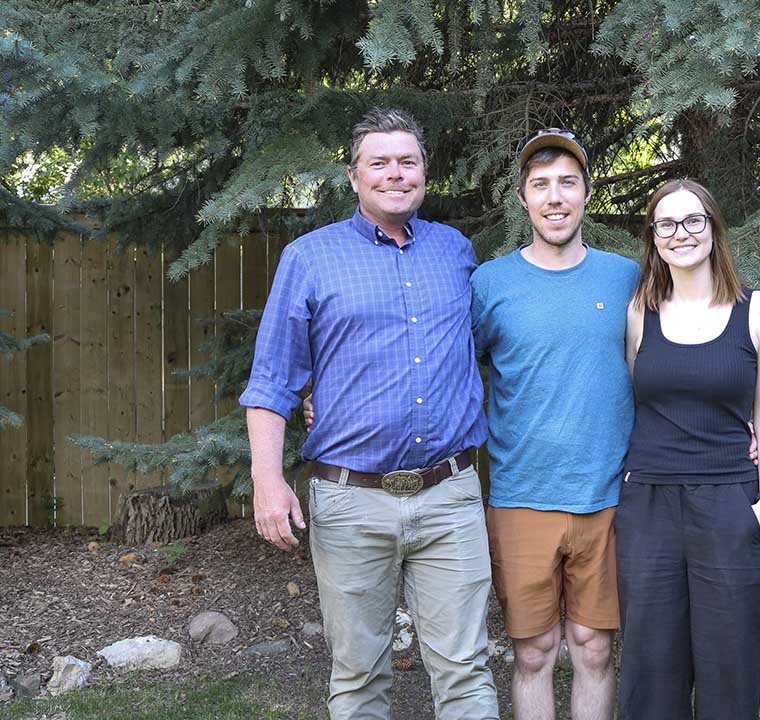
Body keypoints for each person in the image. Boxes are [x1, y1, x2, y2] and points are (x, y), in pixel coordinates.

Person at [239, 108, 498, 720]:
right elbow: (273, 382)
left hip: (449, 496)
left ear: (424, 174)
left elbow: (485, 348)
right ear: (353, 176)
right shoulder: (310, 258)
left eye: (407, 162)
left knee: (465, 669)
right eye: (378, 163)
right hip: (351, 500)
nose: (395, 174)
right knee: (358, 675)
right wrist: (267, 482)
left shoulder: (455, 252)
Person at [470, 129, 638, 720]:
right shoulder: (490, 284)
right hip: (521, 495)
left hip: (608, 495)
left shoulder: (628, 278)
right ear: (523, 198)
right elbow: (445, 370)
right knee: (535, 652)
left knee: (595, 650)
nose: (555, 197)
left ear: (587, 192)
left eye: (568, 182)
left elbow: (677, 360)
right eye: (540, 185)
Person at [616, 178, 760, 720]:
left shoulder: (758, 311)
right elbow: (634, 402)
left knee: (730, 664)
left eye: (693, 221)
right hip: (649, 506)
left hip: (729, 503)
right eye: (665, 223)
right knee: (651, 666)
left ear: (714, 228)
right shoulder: (641, 312)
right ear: (653, 236)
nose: (680, 233)